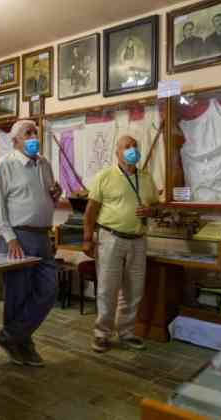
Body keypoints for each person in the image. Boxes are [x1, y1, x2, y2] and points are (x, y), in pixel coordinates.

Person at [0, 120, 62, 367]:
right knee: (17, 293)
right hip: (17, 236)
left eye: (35, 133)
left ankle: (11, 335)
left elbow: (46, 196)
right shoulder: (5, 164)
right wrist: (9, 238)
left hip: (42, 235)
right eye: (27, 133)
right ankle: (22, 344)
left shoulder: (44, 163)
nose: (33, 137)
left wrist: (55, 195)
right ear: (15, 140)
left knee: (49, 289)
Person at [82, 136, 160, 353]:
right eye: (127, 147)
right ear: (117, 152)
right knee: (107, 289)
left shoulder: (146, 178)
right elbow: (90, 210)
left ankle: (126, 333)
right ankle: (102, 334)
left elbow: (157, 206)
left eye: (135, 146)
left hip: (138, 240)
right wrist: (87, 239)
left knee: (134, 290)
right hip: (110, 238)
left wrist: (151, 211)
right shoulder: (105, 176)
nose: (132, 150)